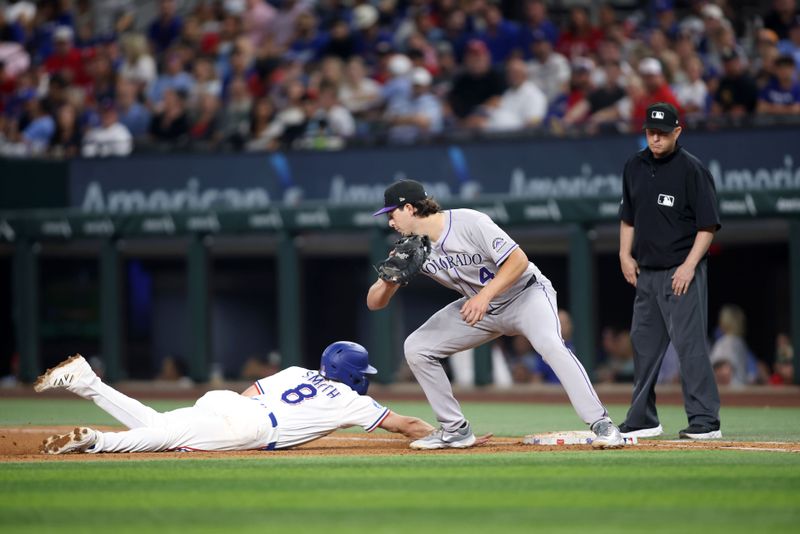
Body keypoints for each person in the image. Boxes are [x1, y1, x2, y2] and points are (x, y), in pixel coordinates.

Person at [367, 179, 624, 450]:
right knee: (417, 348)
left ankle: (603, 424)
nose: (390, 223)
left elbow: (518, 261)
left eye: (391, 214)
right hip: (481, 309)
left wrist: (484, 296)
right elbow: (374, 302)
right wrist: (389, 279)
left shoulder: (469, 222)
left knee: (551, 346)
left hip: (525, 296)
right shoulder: (411, 248)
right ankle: (455, 429)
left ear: (409, 208)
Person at [34, 341, 439, 455]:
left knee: (160, 424)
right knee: (168, 439)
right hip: (255, 427)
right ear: (353, 374)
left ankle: (88, 383)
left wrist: (230, 411)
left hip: (231, 402)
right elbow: (406, 425)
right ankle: (98, 441)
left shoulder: (299, 371)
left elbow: (251, 391)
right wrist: (443, 435)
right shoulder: (354, 401)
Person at [618, 102, 722, 440]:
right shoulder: (634, 165)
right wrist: (624, 254)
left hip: (681, 270)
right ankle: (643, 418)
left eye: (662, 132)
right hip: (646, 273)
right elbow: (628, 217)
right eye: (650, 131)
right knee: (643, 346)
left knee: (690, 346)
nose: (655, 138)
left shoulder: (692, 170)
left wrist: (689, 266)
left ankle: (705, 420)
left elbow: (707, 226)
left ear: (677, 131)